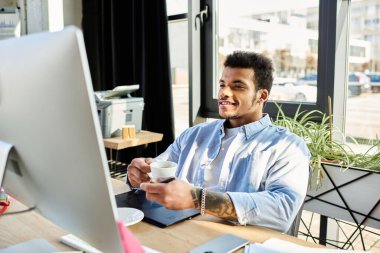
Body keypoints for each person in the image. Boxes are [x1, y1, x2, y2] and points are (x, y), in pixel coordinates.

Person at [126, 51, 310, 233]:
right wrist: (140, 174)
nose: (224, 93)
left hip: (239, 243)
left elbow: (282, 209)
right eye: (222, 84)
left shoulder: (288, 147)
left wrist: (198, 199)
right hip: (179, 234)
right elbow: (158, 171)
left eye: (238, 86)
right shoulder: (193, 135)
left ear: (261, 96)